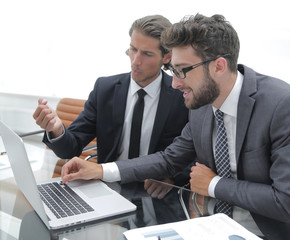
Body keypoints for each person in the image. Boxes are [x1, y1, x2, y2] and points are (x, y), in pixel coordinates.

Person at [60, 13, 290, 239]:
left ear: (219, 66)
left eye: (182, 71)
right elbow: (169, 159)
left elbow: (285, 201)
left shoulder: (280, 105)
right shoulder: (201, 106)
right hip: (207, 227)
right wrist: (100, 170)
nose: (176, 83)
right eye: (173, 70)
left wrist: (214, 185)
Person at [33, 15, 189, 193]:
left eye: (147, 54)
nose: (135, 61)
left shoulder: (182, 95)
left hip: (155, 194)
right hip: (108, 188)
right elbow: (70, 148)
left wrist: (171, 177)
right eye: (133, 49)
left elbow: (194, 154)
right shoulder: (105, 89)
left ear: (167, 57)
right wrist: (57, 129)